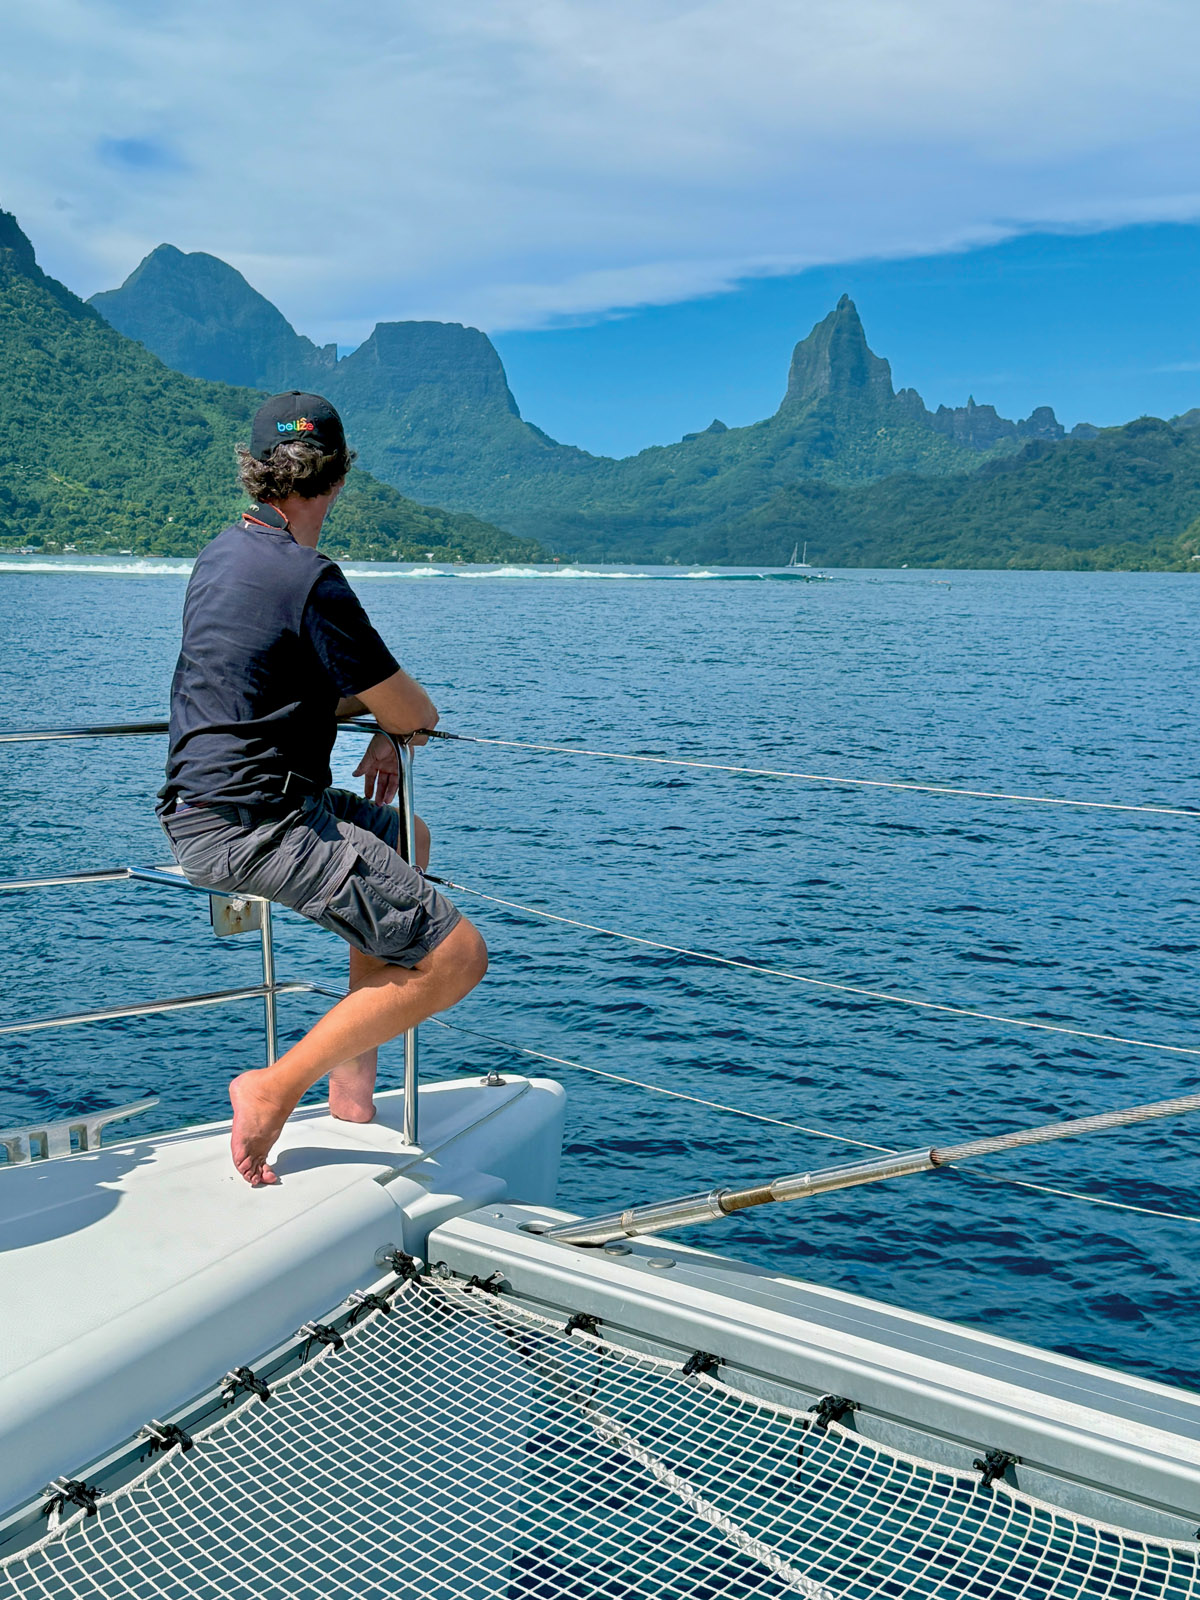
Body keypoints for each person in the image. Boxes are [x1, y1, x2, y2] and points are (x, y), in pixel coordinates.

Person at [158, 392, 488, 1187]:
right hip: (257, 821)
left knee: (404, 837)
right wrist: (388, 719)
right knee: (458, 957)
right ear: (337, 479)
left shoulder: (222, 553)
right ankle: (274, 1086)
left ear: (257, 472)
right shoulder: (312, 579)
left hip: (205, 803)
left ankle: (352, 1091)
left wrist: (372, 718)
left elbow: (275, 679)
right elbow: (417, 710)